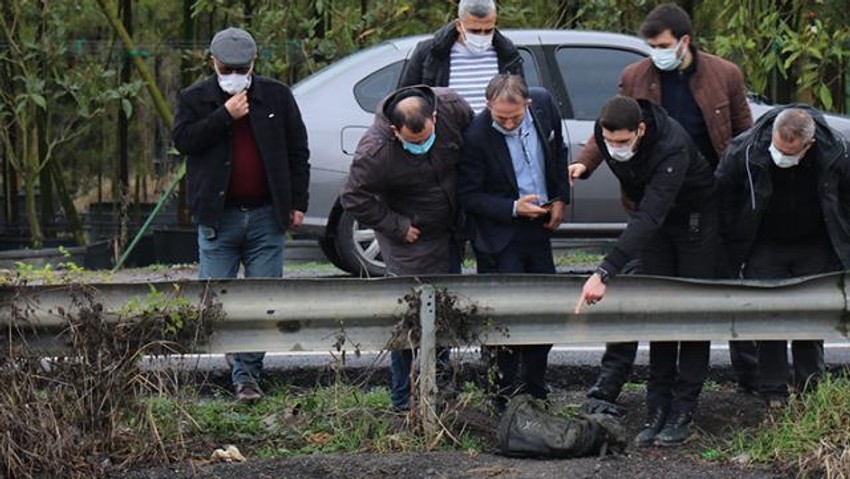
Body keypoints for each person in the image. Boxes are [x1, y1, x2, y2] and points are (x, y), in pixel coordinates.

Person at [569, 2, 758, 406]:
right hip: (651, 197)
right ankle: (619, 382)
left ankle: (749, 378)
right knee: (640, 288)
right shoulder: (636, 77)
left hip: (705, 197)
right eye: (650, 44)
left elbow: (744, 135)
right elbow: (609, 127)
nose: (654, 50)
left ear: (684, 41)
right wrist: (584, 163)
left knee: (707, 293)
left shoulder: (724, 75)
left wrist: (744, 191)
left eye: (661, 44)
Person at [172, 27, 310, 404]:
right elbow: (184, 141)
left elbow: (298, 150)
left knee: (262, 298)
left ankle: (247, 377)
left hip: (267, 215)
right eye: (227, 67)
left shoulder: (276, 96)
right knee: (214, 300)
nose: (234, 73)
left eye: (241, 67)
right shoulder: (195, 97)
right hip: (218, 217)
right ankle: (235, 353)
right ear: (213, 62)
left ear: (253, 64)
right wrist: (224, 116)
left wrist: (298, 202)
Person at [574, 96, 718, 447]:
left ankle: (683, 410)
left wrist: (605, 272)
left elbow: (651, 214)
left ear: (640, 129)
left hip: (693, 224)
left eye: (623, 142)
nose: (615, 149)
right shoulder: (605, 131)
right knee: (659, 312)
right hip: (654, 223)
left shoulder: (673, 146)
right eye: (610, 142)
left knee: (691, 316)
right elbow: (647, 215)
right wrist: (584, 164)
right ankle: (657, 408)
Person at [340, 85, 474, 412]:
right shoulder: (375, 151)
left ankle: (440, 390)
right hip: (409, 237)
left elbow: (476, 140)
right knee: (408, 318)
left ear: (435, 117)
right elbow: (354, 198)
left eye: (426, 137)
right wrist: (396, 226)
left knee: (445, 308)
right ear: (394, 130)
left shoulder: (453, 107)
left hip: (449, 229)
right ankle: (401, 399)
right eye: (412, 143)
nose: (420, 145)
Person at [715, 106, 850, 408]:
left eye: (791, 152)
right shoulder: (746, 149)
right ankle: (772, 388)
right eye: (778, 149)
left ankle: (810, 386)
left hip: (815, 241)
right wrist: (732, 239)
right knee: (769, 314)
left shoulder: (836, 152)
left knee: (809, 317)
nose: (782, 156)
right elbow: (722, 192)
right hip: (764, 241)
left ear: (808, 146)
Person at [457, 74, 568, 413]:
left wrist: (560, 197)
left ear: (527, 105)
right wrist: (512, 207)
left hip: (539, 227)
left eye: (514, 117)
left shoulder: (545, 106)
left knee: (543, 308)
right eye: (499, 116)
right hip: (499, 234)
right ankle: (502, 392)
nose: (506, 122)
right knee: (504, 315)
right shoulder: (476, 135)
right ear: (488, 105)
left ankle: (535, 387)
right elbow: (469, 195)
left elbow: (559, 151)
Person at [399, 0, 523, 114]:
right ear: (459, 25)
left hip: (493, 134)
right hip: (448, 134)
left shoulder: (507, 53)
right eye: (474, 31)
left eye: (488, 30)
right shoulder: (430, 52)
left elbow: (520, 96)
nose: (482, 36)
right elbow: (406, 100)